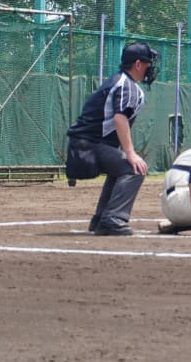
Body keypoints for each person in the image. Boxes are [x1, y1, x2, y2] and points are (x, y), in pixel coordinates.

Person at [65, 42, 156, 236]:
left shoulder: (118, 80)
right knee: (134, 168)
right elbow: (119, 117)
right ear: (138, 64)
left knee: (120, 168)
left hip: (84, 145)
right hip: (88, 147)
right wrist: (130, 153)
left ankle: (101, 219)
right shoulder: (126, 84)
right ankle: (113, 219)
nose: (150, 68)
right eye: (147, 63)